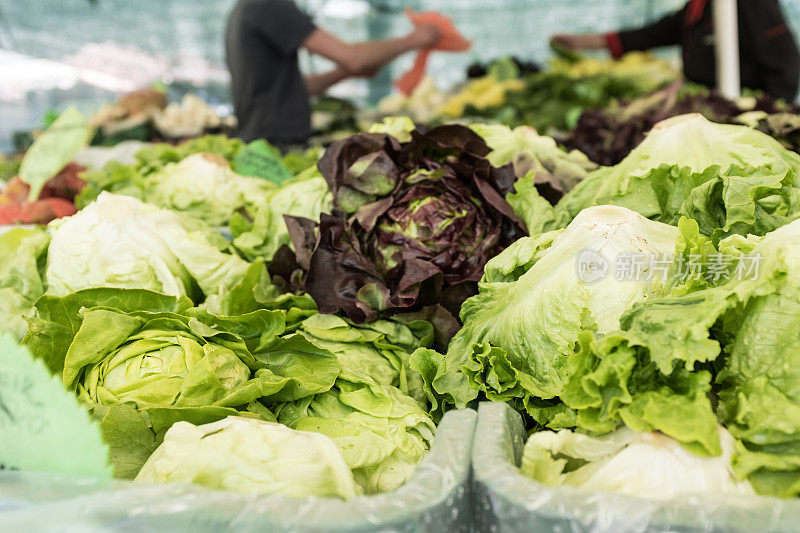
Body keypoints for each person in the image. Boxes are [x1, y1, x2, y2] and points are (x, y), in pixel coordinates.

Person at [225, 0, 440, 147]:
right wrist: (412, 40)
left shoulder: (245, 9)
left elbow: (298, 87)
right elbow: (354, 58)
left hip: (260, 139)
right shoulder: (269, 5)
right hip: (278, 143)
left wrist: (344, 73)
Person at [551, 0, 800, 101]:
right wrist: (584, 43)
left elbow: (785, 66)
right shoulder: (698, 6)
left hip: (745, 109)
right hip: (709, 105)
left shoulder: (752, 4)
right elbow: (652, 34)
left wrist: (772, 123)